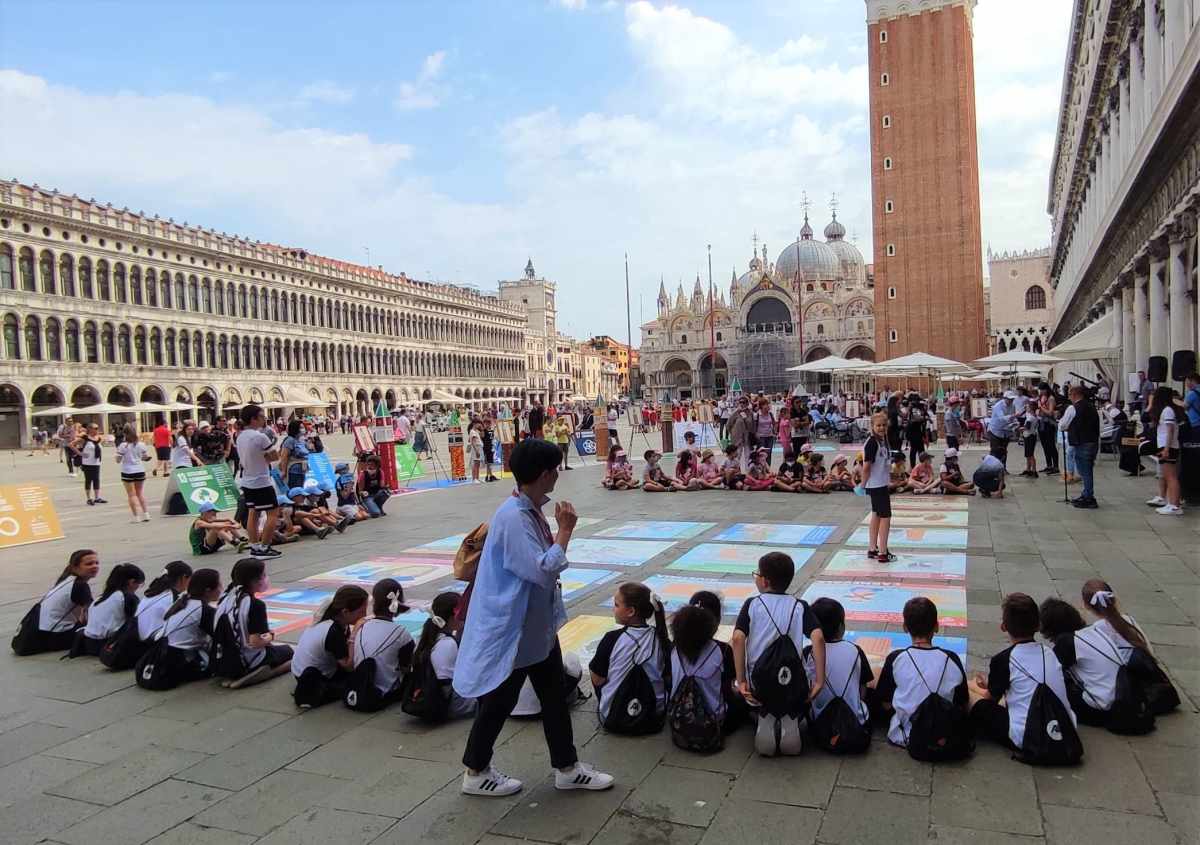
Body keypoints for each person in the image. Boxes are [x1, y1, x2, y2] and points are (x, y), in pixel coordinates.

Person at [454, 438, 613, 798]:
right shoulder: (513, 518)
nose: (558, 473)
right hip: (516, 630)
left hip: (534, 628)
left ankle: (567, 767)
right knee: (498, 701)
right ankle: (476, 771)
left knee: (554, 698)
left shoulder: (527, 510)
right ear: (544, 474)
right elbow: (540, 571)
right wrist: (566, 531)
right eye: (555, 468)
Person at [732, 551, 826, 757]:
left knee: (759, 696)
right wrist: (819, 680)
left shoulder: (752, 604)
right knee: (790, 696)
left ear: (764, 581)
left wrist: (741, 680)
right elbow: (818, 637)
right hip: (792, 680)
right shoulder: (799, 605)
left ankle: (765, 718)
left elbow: (738, 639)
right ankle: (789, 720)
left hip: (760, 680)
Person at [968, 593, 1080, 761]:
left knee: (973, 699)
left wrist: (972, 686)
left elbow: (989, 700)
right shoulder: (1049, 653)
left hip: (1028, 737)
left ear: (1003, 626)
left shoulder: (1004, 659)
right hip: (1065, 729)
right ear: (1037, 625)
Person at [874, 597, 971, 757]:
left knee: (876, 684)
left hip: (904, 736)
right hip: (944, 733)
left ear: (905, 627)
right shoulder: (951, 658)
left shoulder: (897, 658)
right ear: (937, 627)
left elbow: (885, 704)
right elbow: (962, 703)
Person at [590, 582, 670, 734]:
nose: (613, 609)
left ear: (631, 611)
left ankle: (608, 704)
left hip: (614, 716)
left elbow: (597, 679)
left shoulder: (611, 639)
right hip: (653, 716)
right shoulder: (661, 638)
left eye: (616, 604)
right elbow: (668, 678)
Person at [805, 598, 873, 753]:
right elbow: (863, 687)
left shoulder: (808, 653)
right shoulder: (855, 650)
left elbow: (807, 687)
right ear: (841, 627)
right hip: (854, 722)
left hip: (820, 723)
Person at [213, 558, 294, 688]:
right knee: (290, 651)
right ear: (254, 581)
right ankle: (260, 673)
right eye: (264, 575)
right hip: (246, 660)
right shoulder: (255, 605)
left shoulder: (225, 597)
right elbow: (255, 642)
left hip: (221, 660)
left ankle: (235, 676)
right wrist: (271, 636)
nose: (266, 578)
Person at [292, 585, 369, 708]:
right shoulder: (333, 631)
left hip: (299, 670)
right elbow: (348, 666)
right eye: (361, 612)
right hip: (315, 677)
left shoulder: (333, 621)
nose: (364, 615)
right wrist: (354, 634)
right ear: (345, 612)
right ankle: (311, 695)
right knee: (360, 680)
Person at [147, 568, 223, 688]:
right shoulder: (202, 609)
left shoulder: (184, 599)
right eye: (219, 585)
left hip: (158, 649)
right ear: (208, 590)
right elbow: (221, 635)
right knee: (221, 658)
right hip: (175, 659)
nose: (221, 590)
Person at [349, 579, 416, 707]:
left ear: (374, 602)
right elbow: (406, 666)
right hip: (384, 692)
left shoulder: (363, 626)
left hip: (358, 685)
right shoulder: (401, 633)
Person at [236, 404, 283, 559]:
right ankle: (264, 546)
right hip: (261, 480)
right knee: (273, 512)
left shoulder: (240, 436)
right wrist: (266, 457)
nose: (264, 419)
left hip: (247, 480)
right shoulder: (260, 436)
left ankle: (254, 545)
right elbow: (274, 457)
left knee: (253, 512)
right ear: (253, 419)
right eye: (262, 416)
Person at [68, 564, 144, 657]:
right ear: (131, 582)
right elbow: (139, 622)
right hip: (107, 645)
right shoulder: (127, 597)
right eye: (139, 584)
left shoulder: (100, 598)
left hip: (90, 644)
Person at [1060, 385, 1100, 509]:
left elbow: (1062, 425)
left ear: (1075, 395)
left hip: (1082, 442)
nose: (1069, 398)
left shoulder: (1073, 408)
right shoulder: (1092, 407)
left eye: (1070, 395)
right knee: (1087, 470)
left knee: (1085, 471)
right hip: (1092, 441)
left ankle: (1089, 497)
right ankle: (1086, 494)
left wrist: (1065, 426)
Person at [863, 412, 895, 562]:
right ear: (872, 426)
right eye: (878, 425)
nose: (881, 428)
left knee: (876, 514)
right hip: (876, 485)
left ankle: (872, 548)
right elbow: (866, 466)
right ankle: (883, 552)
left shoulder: (882, 441)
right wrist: (862, 485)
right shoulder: (872, 442)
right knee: (886, 517)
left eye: (884, 425)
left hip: (880, 483)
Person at [1146, 386, 1183, 515]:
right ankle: (1172, 503)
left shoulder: (1167, 411)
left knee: (1171, 477)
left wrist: (1166, 448)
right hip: (1167, 445)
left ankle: (1174, 505)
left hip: (1169, 446)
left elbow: (1170, 430)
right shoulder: (1167, 410)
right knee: (1168, 476)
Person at [136, 562, 192, 644]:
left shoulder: (153, 592)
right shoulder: (173, 597)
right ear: (184, 578)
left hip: (140, 639)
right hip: (154, 646)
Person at [116, 423, 152, 523]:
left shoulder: (123, 445)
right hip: (139, 470)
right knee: (140, 493)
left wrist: (118, 456)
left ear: (125, 434)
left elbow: (118, 460)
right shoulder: (141, 444)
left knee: (131, 494)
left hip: (127, 471)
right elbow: (145, 457)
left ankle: (136, 516)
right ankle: (146, 514)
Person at [73, 422, 106, 506]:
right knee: (88, 480)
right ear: (90, 429)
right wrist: (80, 453)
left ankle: (97, 497)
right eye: (95, 428)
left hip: (97, 462)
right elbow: (71, 444)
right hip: (87, 463)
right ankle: (88, 498)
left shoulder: (98, 438)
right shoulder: (85, 438)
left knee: (96, 479)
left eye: (97, 428)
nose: (97, 430)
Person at [987, 390, 1018, 469]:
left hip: (1006, 431)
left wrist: (1016, 423)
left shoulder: (1013, 405)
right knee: (995, 450)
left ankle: (1003, 468)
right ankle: (992, 468)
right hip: (995, 431)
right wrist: (1013, 416)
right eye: (1010, 399)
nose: (1011, 401)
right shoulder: (998, 406)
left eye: (1012, 399)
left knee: (1004, 451)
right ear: (1005, 398)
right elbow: (1002, 418)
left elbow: (1013, 418)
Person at [279, 419, 311, 491]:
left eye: (303, 427)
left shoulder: (302, 439)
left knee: (300, 490)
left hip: (302, 469)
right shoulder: (290, 440)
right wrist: (283, 471)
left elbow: (311, 450)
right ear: (295, 429)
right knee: (295, 491)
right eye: (301, 427)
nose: (303, 429)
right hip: (293, 471)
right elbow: (284, 456)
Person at [1036, 384, 1060, 474]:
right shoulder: (1041, 397)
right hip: (1041, 423)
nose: (1041, 392)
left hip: (1049, 424)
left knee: (1051, 445)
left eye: (1042, 390)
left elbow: (1050, 413)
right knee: (1045, 445)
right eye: (1040, 390)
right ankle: (1049, 465)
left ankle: (1056, 466)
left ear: (1046, 389)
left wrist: (1040, 407)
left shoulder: (1051, 398)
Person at [1018, 410, 1040, 479]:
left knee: (1030, 454)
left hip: (1029, 436)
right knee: (1028, 454)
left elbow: (1027, 427)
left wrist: (1020, 428)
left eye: (1027, 407)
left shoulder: (1030, 418)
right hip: (1030, 435)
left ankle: (1034, 471)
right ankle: (1028, 469)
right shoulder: (1034, 417)